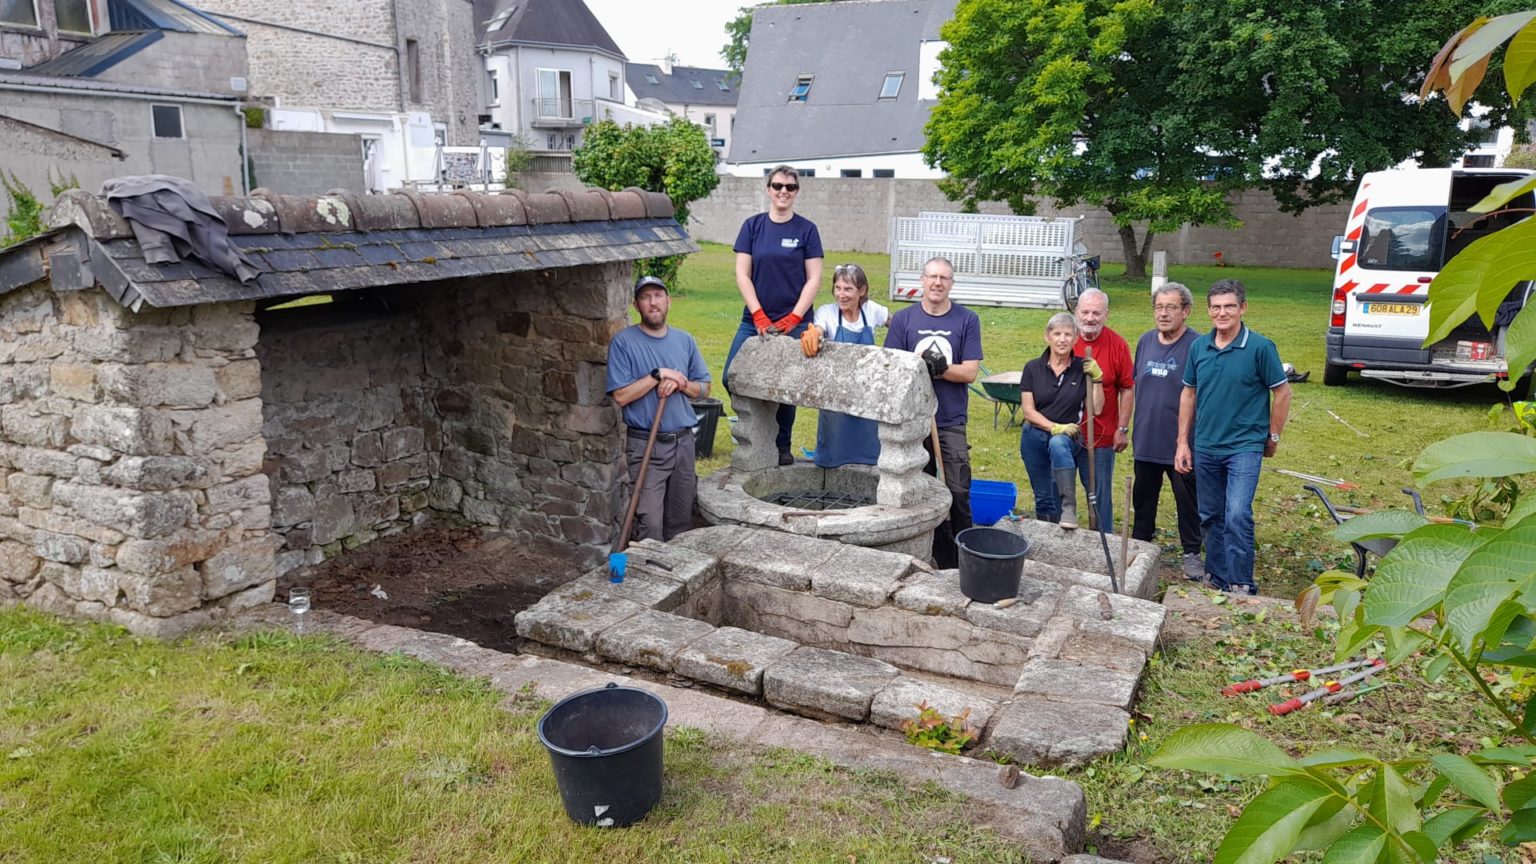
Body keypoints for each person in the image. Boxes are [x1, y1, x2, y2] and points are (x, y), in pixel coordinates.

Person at [1175, 279, 1292, 595]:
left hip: (1244, 446)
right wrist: (1182, 442)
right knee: (1210, 515)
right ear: (1208, 310)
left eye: (1229, 306)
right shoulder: (1200, 347)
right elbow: (1189, 393)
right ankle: (1217, 576)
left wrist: (1274, 436)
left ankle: (1242, 582)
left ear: (1242, 308)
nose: (1222, 313)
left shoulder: (1260, 348)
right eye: (1216, 307)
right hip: (1206, 445)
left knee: (1237, 513)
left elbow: (1282, 393)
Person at [884, 256, 982, 568]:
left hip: (949, 420)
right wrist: (917, 364)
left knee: (957, 491)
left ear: (951, 283)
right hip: (913, 420)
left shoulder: (967, 320)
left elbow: (969, 373)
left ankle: (965, 558)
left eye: (944, 278)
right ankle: (932, 556)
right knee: (920, 492)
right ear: (922, 281)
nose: (937, 283)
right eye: (932, 277)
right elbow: (893, 367)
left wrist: (940, 368)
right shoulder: (903, 320)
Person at [724, 166, 824, 466]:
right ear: (768, 189)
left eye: (790, 187)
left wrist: (794, 319)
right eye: (778, 185)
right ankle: (756, 431)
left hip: (795, 323)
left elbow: (814, 279)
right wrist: (758, 315)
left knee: (787, 386)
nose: (783, 191)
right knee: (731, 375)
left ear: (796, 192)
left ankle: (782, 445)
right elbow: (743, 274)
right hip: (754, 320)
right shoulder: (752, 227)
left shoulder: (807, 230)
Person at [606, 275, 712, 542]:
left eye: (658, 296)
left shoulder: (684, 340)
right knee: (650, 524)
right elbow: (621, 396)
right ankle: (645, 574)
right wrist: (657, 375)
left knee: (680, 520)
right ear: (636, 305)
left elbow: (705, 387)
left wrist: (681, 384)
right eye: (645, 297)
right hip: (646, 446)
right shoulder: (623, 343)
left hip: (683, 444)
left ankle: (674, 577)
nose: (653, 303)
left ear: (668, 301)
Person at [1130, 283, 1205, 581]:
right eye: (1159, 307)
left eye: (1171, 307)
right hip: (1147, 437)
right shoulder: (1145, 341)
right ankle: (1139, 548)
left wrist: (1184, 441)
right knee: (1143, 498)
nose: (1163, 313)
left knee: (1187, 500)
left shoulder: (1197, 345)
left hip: (1182, 443)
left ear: (1185, 311)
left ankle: (1191, 554)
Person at [1019, 313, 1106, 529]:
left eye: (1068, 334)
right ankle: (1049, 537)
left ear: (1076, 338)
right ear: (1047, 336)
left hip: (1068, 437)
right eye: (1057, 334)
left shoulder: (1082, 368)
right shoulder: (1032, 368)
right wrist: (1053, 427)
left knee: (1057, 443)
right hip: (1034, 436)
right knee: (1043, 496)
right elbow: (1028, 412)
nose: (1062, 339)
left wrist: (1097, 380)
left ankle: (1069, 507)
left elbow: (1097, 408)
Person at [804, 262, 890, 467]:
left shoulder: (872, 310)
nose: (842, 295)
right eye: (838, 288)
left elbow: (897, 325)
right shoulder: (827, 313)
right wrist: (815, 333)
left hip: (866, 392)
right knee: (834, 451)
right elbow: (819, 328)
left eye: (848, 289)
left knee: (868, 452)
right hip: (836, 392)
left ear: (862, 291)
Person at [1071, 288, 1134, 532]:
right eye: (1085, 312)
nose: (1089, 318)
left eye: (1096, 313)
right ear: (1076, 312)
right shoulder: (1065, 338)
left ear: (1106, 314)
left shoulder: (1117, 344)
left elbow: (1127, 388)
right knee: (1059, 491)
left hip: (1101, 435)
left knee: (1099, 495)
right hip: (1067, 433)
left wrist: (1122, 428)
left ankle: (1102, 542)